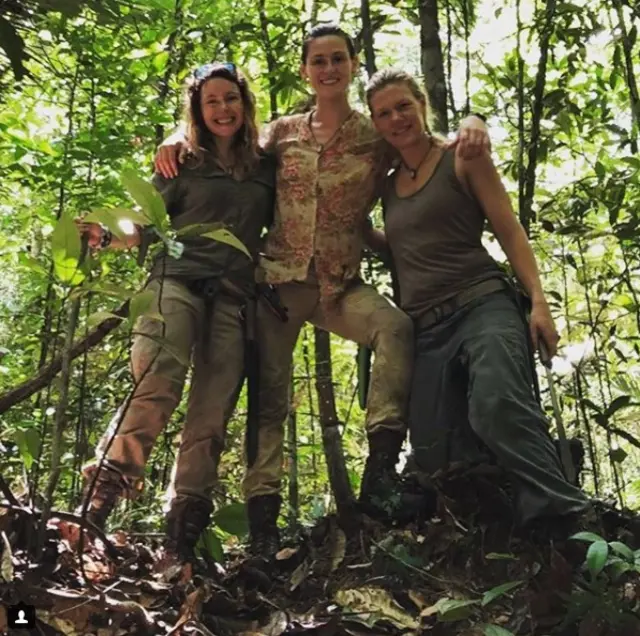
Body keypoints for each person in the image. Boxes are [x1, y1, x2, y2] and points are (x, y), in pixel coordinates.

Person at [154, 24, 490, 556]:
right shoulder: (281, 134)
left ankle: (379, 474)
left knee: (395, 328)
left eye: (338, 59)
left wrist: (473, 122)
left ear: (353, 65)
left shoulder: (375, 136)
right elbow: (225, 145)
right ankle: (263, 526)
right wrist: (177, 136)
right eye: (318, 61)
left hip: (339, 285)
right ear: (305, 71)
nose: (328, 69)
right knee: (270, 397)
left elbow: (428, 144)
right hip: (278, 287)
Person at [364, 67, 592, 530]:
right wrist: (359, 232)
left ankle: (563, 516)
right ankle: (496, 519)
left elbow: (507, 227)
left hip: (482, 304)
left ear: (422, 105)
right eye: (383, 113)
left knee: (496, 403)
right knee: (432, 450)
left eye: (403, 106)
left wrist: (539, 302)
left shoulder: (461, 156)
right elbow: (407, 248)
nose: (396, 119)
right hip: (426, 327)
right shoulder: (386, 185)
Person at [77, 62, 275, 568]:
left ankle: (181, 534)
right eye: (211, 101)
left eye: (230, 98)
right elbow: (143, 222)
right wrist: (105, 232)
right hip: (176, 283)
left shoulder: (266, 165)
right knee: (156, 380)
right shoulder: (181, 162)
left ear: (244, 104)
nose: (223, 109)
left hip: (233, 297)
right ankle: (97, 503)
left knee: (211, 415)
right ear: (198, 110)